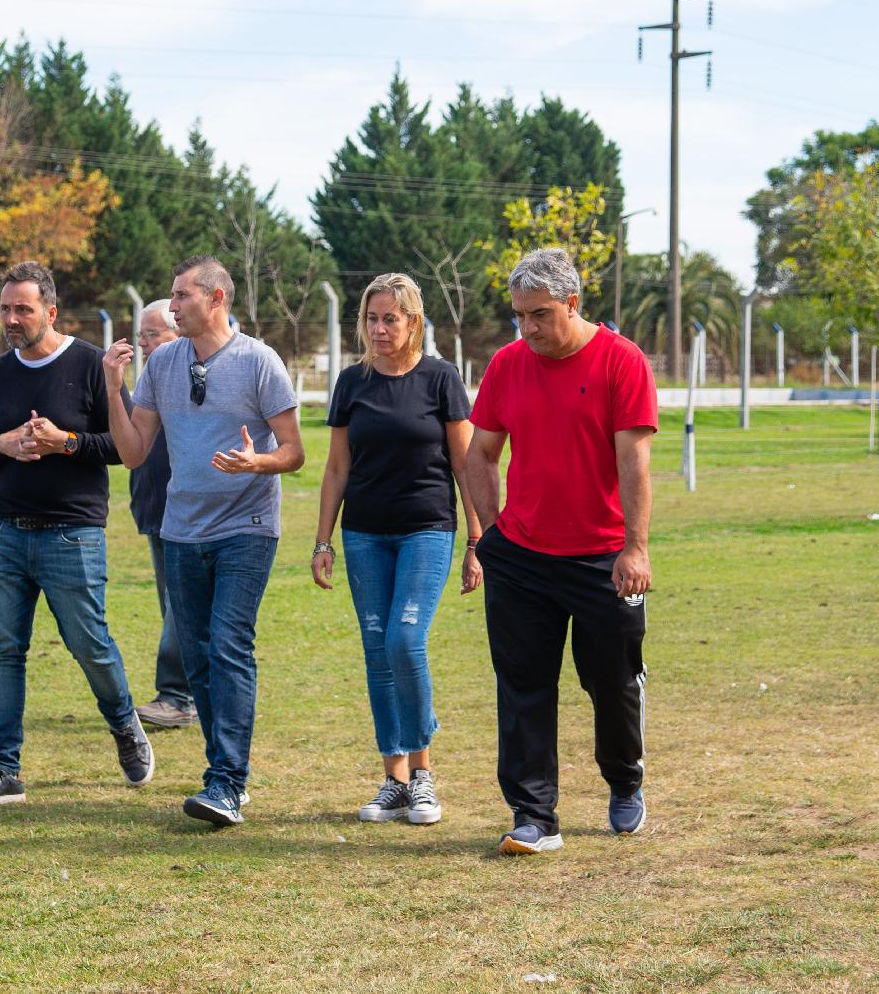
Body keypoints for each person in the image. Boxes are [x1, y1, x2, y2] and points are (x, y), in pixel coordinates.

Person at [465, 247, 656, 855]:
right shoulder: (507, 364)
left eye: (540, 315)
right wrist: (490, 536)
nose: (527, 329)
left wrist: (636, 548)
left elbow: (634, 461)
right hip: (520, 556)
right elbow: (480, 455)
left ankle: (625, 780)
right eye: (519, 316)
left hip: (603, 559)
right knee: (522, 684)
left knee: (611, 680)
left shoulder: (620, 361)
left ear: (572, 303)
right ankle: (533, 815)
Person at [105, 255, 304, 827]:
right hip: (181, 531)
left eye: (182, 295)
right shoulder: (163, 362)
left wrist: (256, 462)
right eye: (171, 296)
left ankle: (226, 781)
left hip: (246, 530)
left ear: (216, 298)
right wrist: (112, 388)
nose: (172, 306)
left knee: (228, 645)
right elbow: (133, 451)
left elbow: (294, 451)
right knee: (197, 660)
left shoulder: (259, 361)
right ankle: (224, 776)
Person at [0, 261, 153, 808]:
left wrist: (66, 442)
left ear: (51, 312)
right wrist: (4, 446)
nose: (11, 319)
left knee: (90, 644)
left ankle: (124, 722)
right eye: (5, 309)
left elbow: (125, 447)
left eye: (23, 309)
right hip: (4, 534)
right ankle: (3, 769)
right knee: (3, 649)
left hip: (73, 535)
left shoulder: (90, 365)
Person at [310, 273, 483, 827]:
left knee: (406, 642)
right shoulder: (351, 382)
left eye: (391, 318)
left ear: (414, 322)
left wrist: (477, 541)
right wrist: (322, 541)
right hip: (363, 534)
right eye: (371, 318)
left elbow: (465, 465)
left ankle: (425, 774)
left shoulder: (441, 378)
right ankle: (395, 780)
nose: (380, 329)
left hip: (427, 530)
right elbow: (338, 467)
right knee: (378, 650)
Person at [128, 300, 196, 730]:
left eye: (152, 334)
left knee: (180, 605)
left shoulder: (189, 379)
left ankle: (176, 695)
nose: (143, 342)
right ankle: (189, 693)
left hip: (186, 510)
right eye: (142, 334)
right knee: (171, 605)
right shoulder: (149, 379)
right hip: (155, 508)